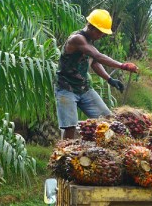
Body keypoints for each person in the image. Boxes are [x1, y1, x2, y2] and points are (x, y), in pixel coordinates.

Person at [55, 9, 139, 139]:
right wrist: (123, 66)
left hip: (84, 89)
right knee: (70, 127)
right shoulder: (77, 39)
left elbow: (94, 62)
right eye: (101, 32)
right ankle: (64, 154)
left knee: (107, 119)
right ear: (91, 27)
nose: (102, 36)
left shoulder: (89, 41)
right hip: (66, 89)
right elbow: (98, 56)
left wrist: (110, 79)